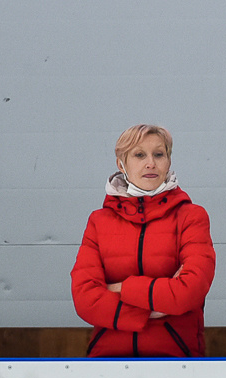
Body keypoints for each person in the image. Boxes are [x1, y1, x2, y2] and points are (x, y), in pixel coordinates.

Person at [71, 124, 216, 357]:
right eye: (139, 155)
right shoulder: (99, 221)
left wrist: (120, 289)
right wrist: (154, 310)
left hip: (177, 362)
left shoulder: (191, 217)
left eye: (159, 154)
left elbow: (190, 290)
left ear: (168, 161)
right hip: (106, 361)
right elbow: (85, 299)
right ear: (121, 164)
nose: (151, 163)